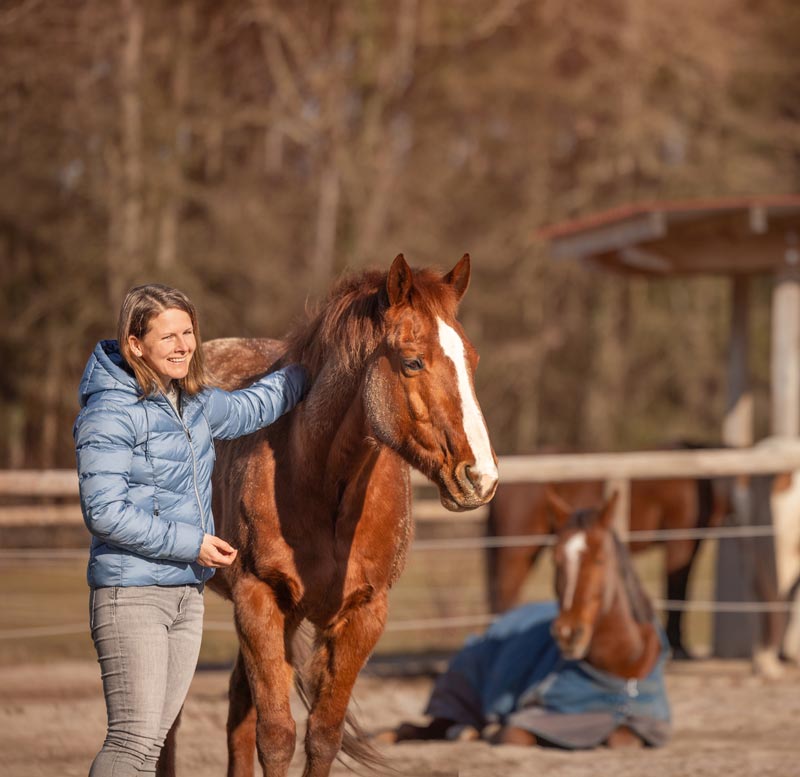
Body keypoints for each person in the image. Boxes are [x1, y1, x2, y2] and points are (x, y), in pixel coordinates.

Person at [74, 284, 308, 776]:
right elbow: (104, 512)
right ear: (135, 344)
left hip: (185, 593)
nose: (183, 346)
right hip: (131, 594)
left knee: (152, 739)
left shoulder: (192, 404)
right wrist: (192, 543)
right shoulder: (110, 411)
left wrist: (314, 366)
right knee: (132, 742)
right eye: (168, 336)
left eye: (188, 332)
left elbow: (253, 407)